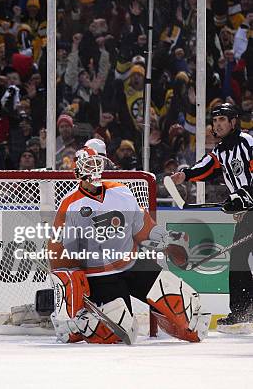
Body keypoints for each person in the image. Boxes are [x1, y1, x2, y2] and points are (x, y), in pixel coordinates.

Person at [48, 147, 210, 344]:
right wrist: (67, 289)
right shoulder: (70, 205)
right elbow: (59, 251)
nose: (93, 169)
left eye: (96, 163)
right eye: (88, 165)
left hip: (135, 264)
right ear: (78, 171)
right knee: (119, 332)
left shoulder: (121, 191)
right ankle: (75, 326)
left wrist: (168, 242)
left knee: (185, 313)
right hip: (101, 276)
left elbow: (144, 227)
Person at [170, 103, 253, 334]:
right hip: (247, 212)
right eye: (215, 121)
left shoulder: (247, 143)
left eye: (222, 120)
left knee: (239, 258)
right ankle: (242, 310)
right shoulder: (221, 150)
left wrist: (245, 196)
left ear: (233, 122)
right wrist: (184, 175)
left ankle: (242, 309)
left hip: (250, 208)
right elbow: (206, 167)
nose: (217, 124)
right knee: (238, 259)